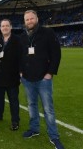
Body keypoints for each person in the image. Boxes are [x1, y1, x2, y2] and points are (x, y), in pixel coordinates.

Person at [20, 10, 64, 149]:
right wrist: (21, 72)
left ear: (37, 19)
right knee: (32, 106)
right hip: (27, 79)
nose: (29, 21)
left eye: (31, 18)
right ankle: (34, 129)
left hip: (43, 78)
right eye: (27, 19)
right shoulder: (22, 37)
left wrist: (50, 73)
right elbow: (19, 56)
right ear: (24, 22)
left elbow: (56, 54)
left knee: (48, 109)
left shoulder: (48, 33)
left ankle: (54, 136)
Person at [0, 19, 21, 131]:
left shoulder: (18, 41)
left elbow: (21, 58)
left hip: (12, 77)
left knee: (13, 100)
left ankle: (15, 121)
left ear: (11, 27)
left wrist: (21, 72)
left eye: (7, 25)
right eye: (3, 26)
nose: (5, 28)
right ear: (0, 28)